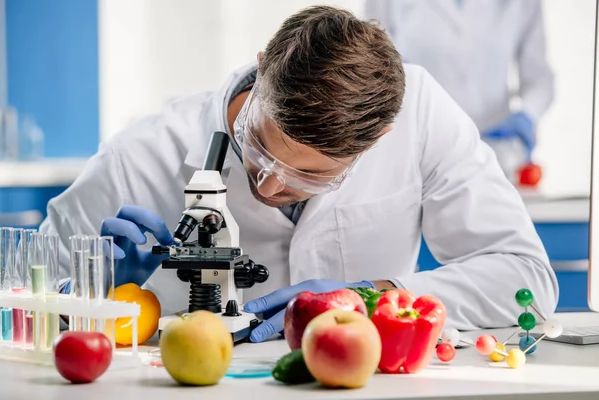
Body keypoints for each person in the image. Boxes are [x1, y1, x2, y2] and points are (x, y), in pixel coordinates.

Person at [39, 6, 558, 343]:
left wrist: (375, 295)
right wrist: (82, 289)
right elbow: (19, 296)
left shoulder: (420, 115)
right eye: (260, 149)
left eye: (307, 178)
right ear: (263, 67)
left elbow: (526, 280)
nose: (266, 187)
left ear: (378, 141)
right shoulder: (137, 158)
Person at [363, 0, 555, 180]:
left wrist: (527, 115)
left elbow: (539, 77)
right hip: (418, 147)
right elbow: (374, 68)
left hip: (494, 147)